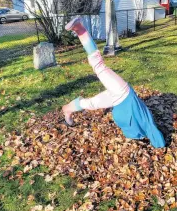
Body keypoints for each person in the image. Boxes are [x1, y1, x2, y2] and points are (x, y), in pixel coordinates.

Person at [61, 17, 165, 148]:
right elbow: (158, 141)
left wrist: (158, 145)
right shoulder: (142, 125)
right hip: (120, 94)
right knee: (97, 70)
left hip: (118, 96)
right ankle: (79, 29)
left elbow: (155, 138)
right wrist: (160, 146)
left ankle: (67, 109)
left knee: (92, 97)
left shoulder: (138, 128)